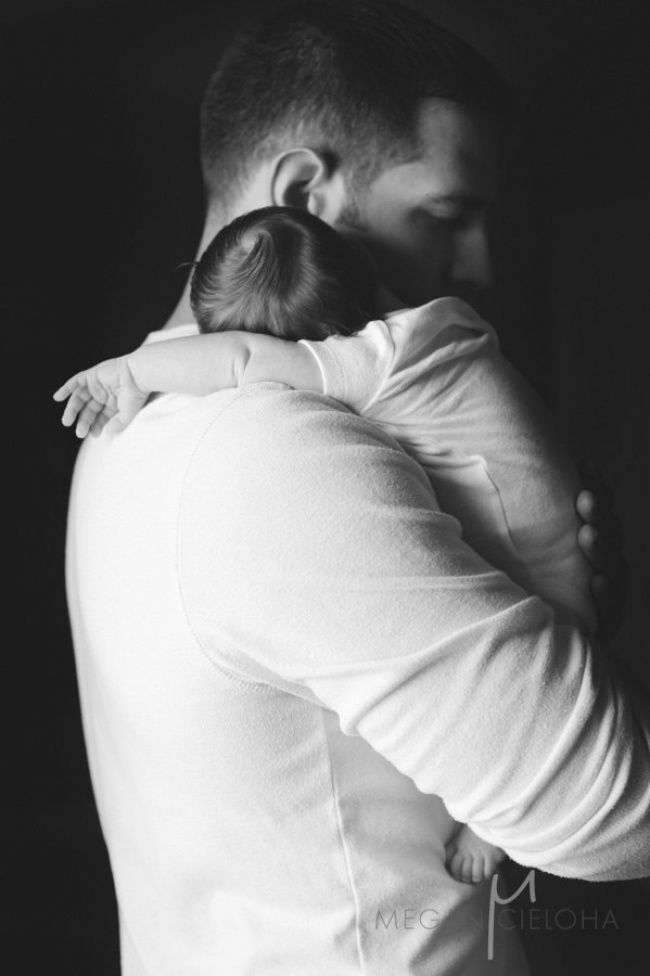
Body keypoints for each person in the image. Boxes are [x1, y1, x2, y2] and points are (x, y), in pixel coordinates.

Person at [63, 4, 644, 975]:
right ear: (301, 191)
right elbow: (613, 815)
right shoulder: (271, 448)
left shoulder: (129, 421)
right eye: (444, 216)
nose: (480, 268)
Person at [55, 203, 599, 886]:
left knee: (538, 728)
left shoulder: (367, 364)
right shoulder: (439, 325)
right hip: (567, 548)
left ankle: (489, 833)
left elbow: (244, 358)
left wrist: (134, 371)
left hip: (552, 586)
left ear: (316, 343)